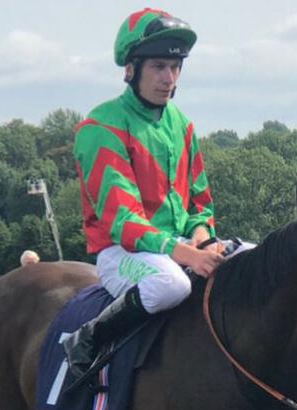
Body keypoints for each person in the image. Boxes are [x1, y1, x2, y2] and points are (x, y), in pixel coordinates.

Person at [63, 8, 224, 379]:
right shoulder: (100, 126)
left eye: (175, 67)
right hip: (123, 253)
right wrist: (184, 253)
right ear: (131, 69)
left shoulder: (182, 125)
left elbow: (200, 204)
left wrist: (202, 239)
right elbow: (124, 223)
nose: (169, 78)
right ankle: (86, 338)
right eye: (158, 67)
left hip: (180, 246)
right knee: (170, 284)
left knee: (251, 260)